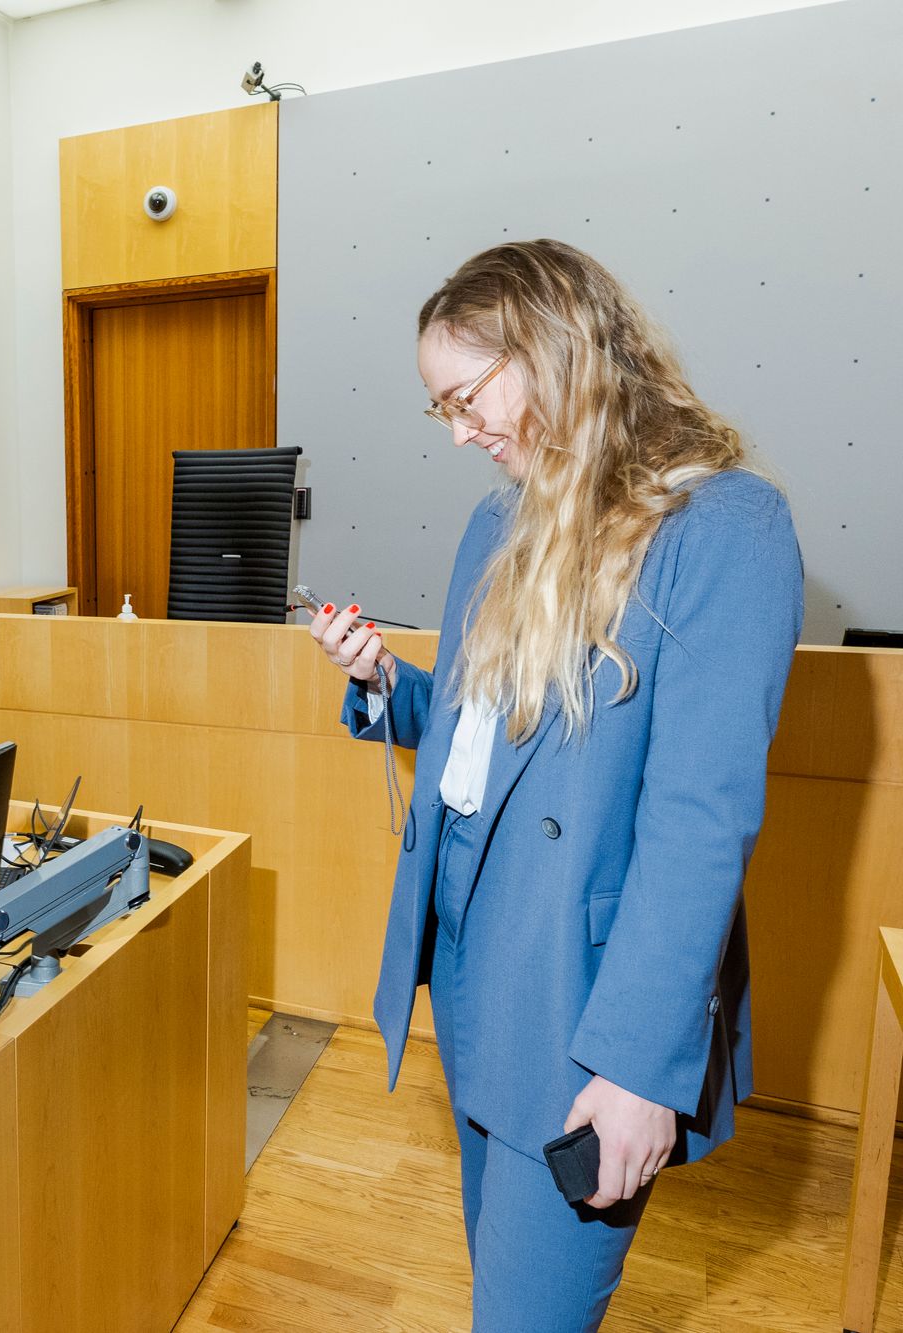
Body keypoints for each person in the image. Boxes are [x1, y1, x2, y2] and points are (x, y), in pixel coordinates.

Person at [307, 239, 801, 1329]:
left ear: (552, 347)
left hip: (582, 1009)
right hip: (480, 972)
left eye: (465, 396)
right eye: (436, 409)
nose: (457, 432)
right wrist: (388, 682)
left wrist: (635, 1069)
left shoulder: (722, 526)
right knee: (501, 1287)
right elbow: (486, 744)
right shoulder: (501, 519)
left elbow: (696, 824)